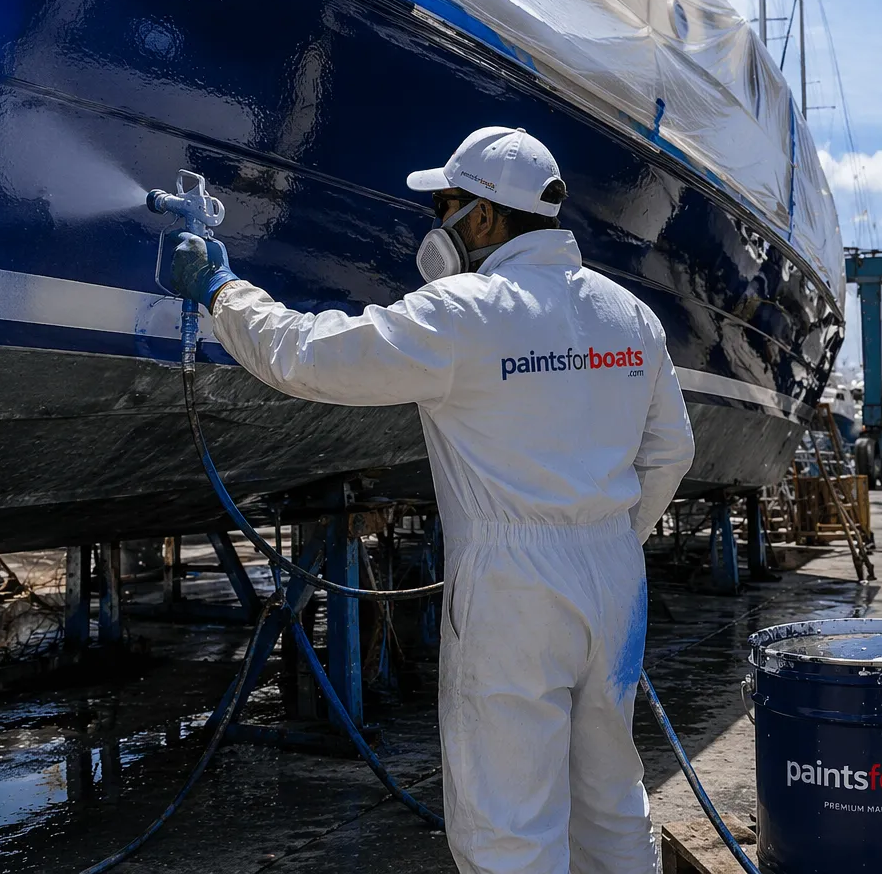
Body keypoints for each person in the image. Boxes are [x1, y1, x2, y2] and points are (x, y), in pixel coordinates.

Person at [169, 126, 693, 874]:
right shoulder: (628, 316)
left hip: (514, 587)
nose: (435, 223)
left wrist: (221, 291)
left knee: (509, 824)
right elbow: (674, 452)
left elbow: (311, 355)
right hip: (614, 578)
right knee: (611, 795)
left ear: (482, 218)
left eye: (445, 204)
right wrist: (609, 538)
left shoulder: (463, 312)